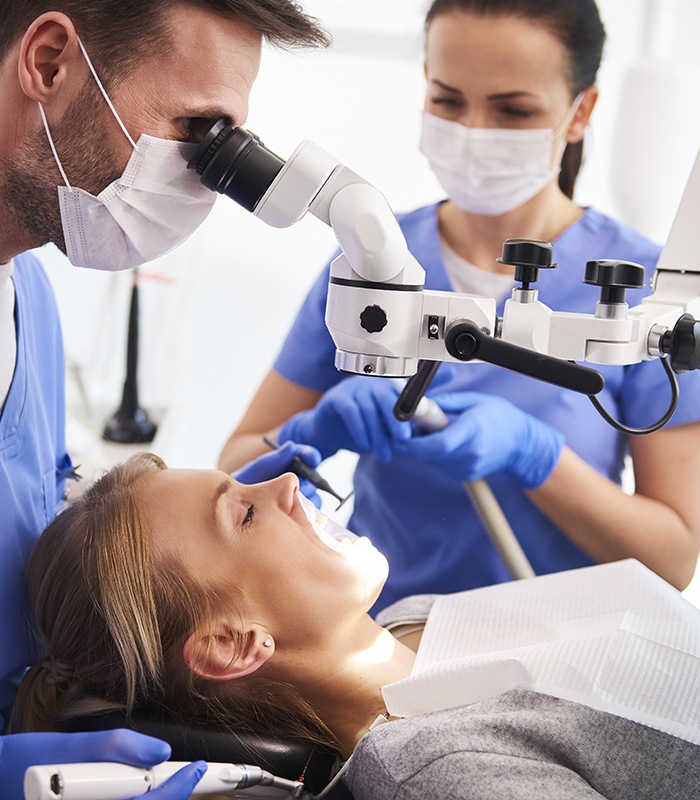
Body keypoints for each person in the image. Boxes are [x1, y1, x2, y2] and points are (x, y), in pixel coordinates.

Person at [217, 0, 700, 613]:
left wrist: (538, 457)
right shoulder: (372, 261)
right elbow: (232, 469)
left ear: (581, 112)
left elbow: (674, 558)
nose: (473, 129)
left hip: (555, 657)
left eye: (512, 109)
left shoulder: (646, 294)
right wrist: (311, 433)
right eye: (448, 100)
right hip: (382, 638)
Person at [0, 0, 329, 794]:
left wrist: (220, 525)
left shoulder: (28, 300)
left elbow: (31, 501)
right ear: (49, 63)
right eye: (195, 130)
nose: (203, 181)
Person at [11, 453, 700, 799]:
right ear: (232, 643)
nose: (285, 482)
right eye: (245, 513)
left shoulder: (408, 621)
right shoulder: (438, 774)